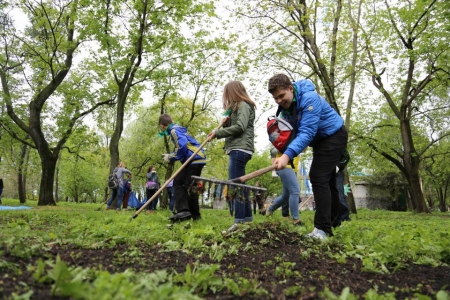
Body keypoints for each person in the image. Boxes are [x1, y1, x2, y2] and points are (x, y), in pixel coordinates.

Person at [268, 74, 348, 239]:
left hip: (334, 135)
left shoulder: (310, 99)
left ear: (290, 88)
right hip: (320, 140)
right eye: (276, 98)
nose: (279, 101)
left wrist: (287, 155)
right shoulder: (285, 108)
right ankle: (334, 222)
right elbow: (291, 133)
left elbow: (307, 132)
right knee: (328, 180)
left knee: (318, 177)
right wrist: (281, 150)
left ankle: (322, 229)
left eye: (281, 96)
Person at [207, 80, 256, 233]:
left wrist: (218, 133)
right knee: (241, 185)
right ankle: (246, 220)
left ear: (233, 92)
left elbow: (241, 127)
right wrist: (226, 123)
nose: (226, 97)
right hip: (239, 148)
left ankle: (238, 223)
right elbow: (237, 125)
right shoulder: (237, 107)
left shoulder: (243, 105)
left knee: (235, 186)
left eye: (227, 93)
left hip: (240, 148)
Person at [159, 113, 206, 222]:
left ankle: (183, 211)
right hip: (197, 158)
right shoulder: (178, 129)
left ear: (162, 125)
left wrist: (170, 157)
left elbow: (182, 146)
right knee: (190, 186)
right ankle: (195, 216)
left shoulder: (174, 131)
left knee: (180, 183)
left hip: (194, 159)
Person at [266, 147, 302, 226]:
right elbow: (273, 149)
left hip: (293, 168)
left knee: (285, 196)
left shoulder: (299, 136)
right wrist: (273, 167)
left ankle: (270, 209)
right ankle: (296, 220)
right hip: (284, 166)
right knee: (295, 191)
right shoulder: (287, 135)